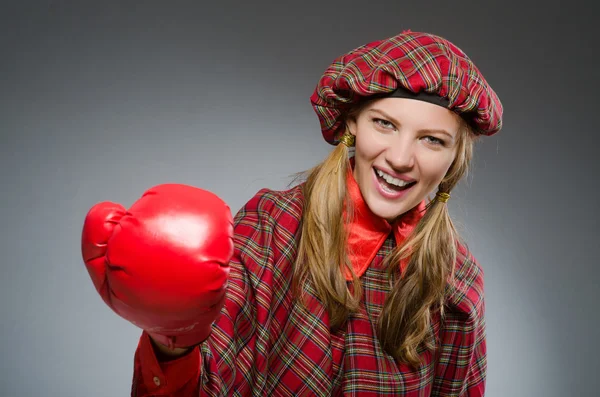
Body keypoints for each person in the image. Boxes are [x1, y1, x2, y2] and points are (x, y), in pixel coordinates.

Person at [81, 30, 503, 396]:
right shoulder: (272, 226)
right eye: (385, 124)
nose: (400, 158)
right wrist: (173, 340)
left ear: (454, 159)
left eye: (432, 140)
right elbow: (207, 381)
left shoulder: (458, 281)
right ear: (352, 123)